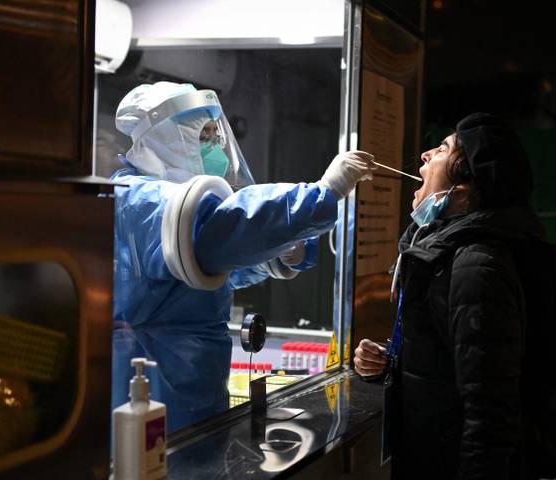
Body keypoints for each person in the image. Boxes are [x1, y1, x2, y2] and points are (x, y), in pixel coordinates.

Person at [111, 81, 376, 432]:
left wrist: (281, 251)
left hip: (193, 379)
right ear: (164, 139)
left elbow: (217, 266)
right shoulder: (143, 200)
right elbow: (217, 232)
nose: (216, 147)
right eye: (203, 136)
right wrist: (319, 195)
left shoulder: (168, 199)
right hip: (155, 382)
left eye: (214, 134)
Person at [354, 113, 545, 480]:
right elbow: (454, 367)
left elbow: (491, 416)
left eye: (441, 149)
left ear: (465, 186)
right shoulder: (444, 254)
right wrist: (393, 362)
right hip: (428, 478)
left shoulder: (478, 265)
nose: (424, 154)